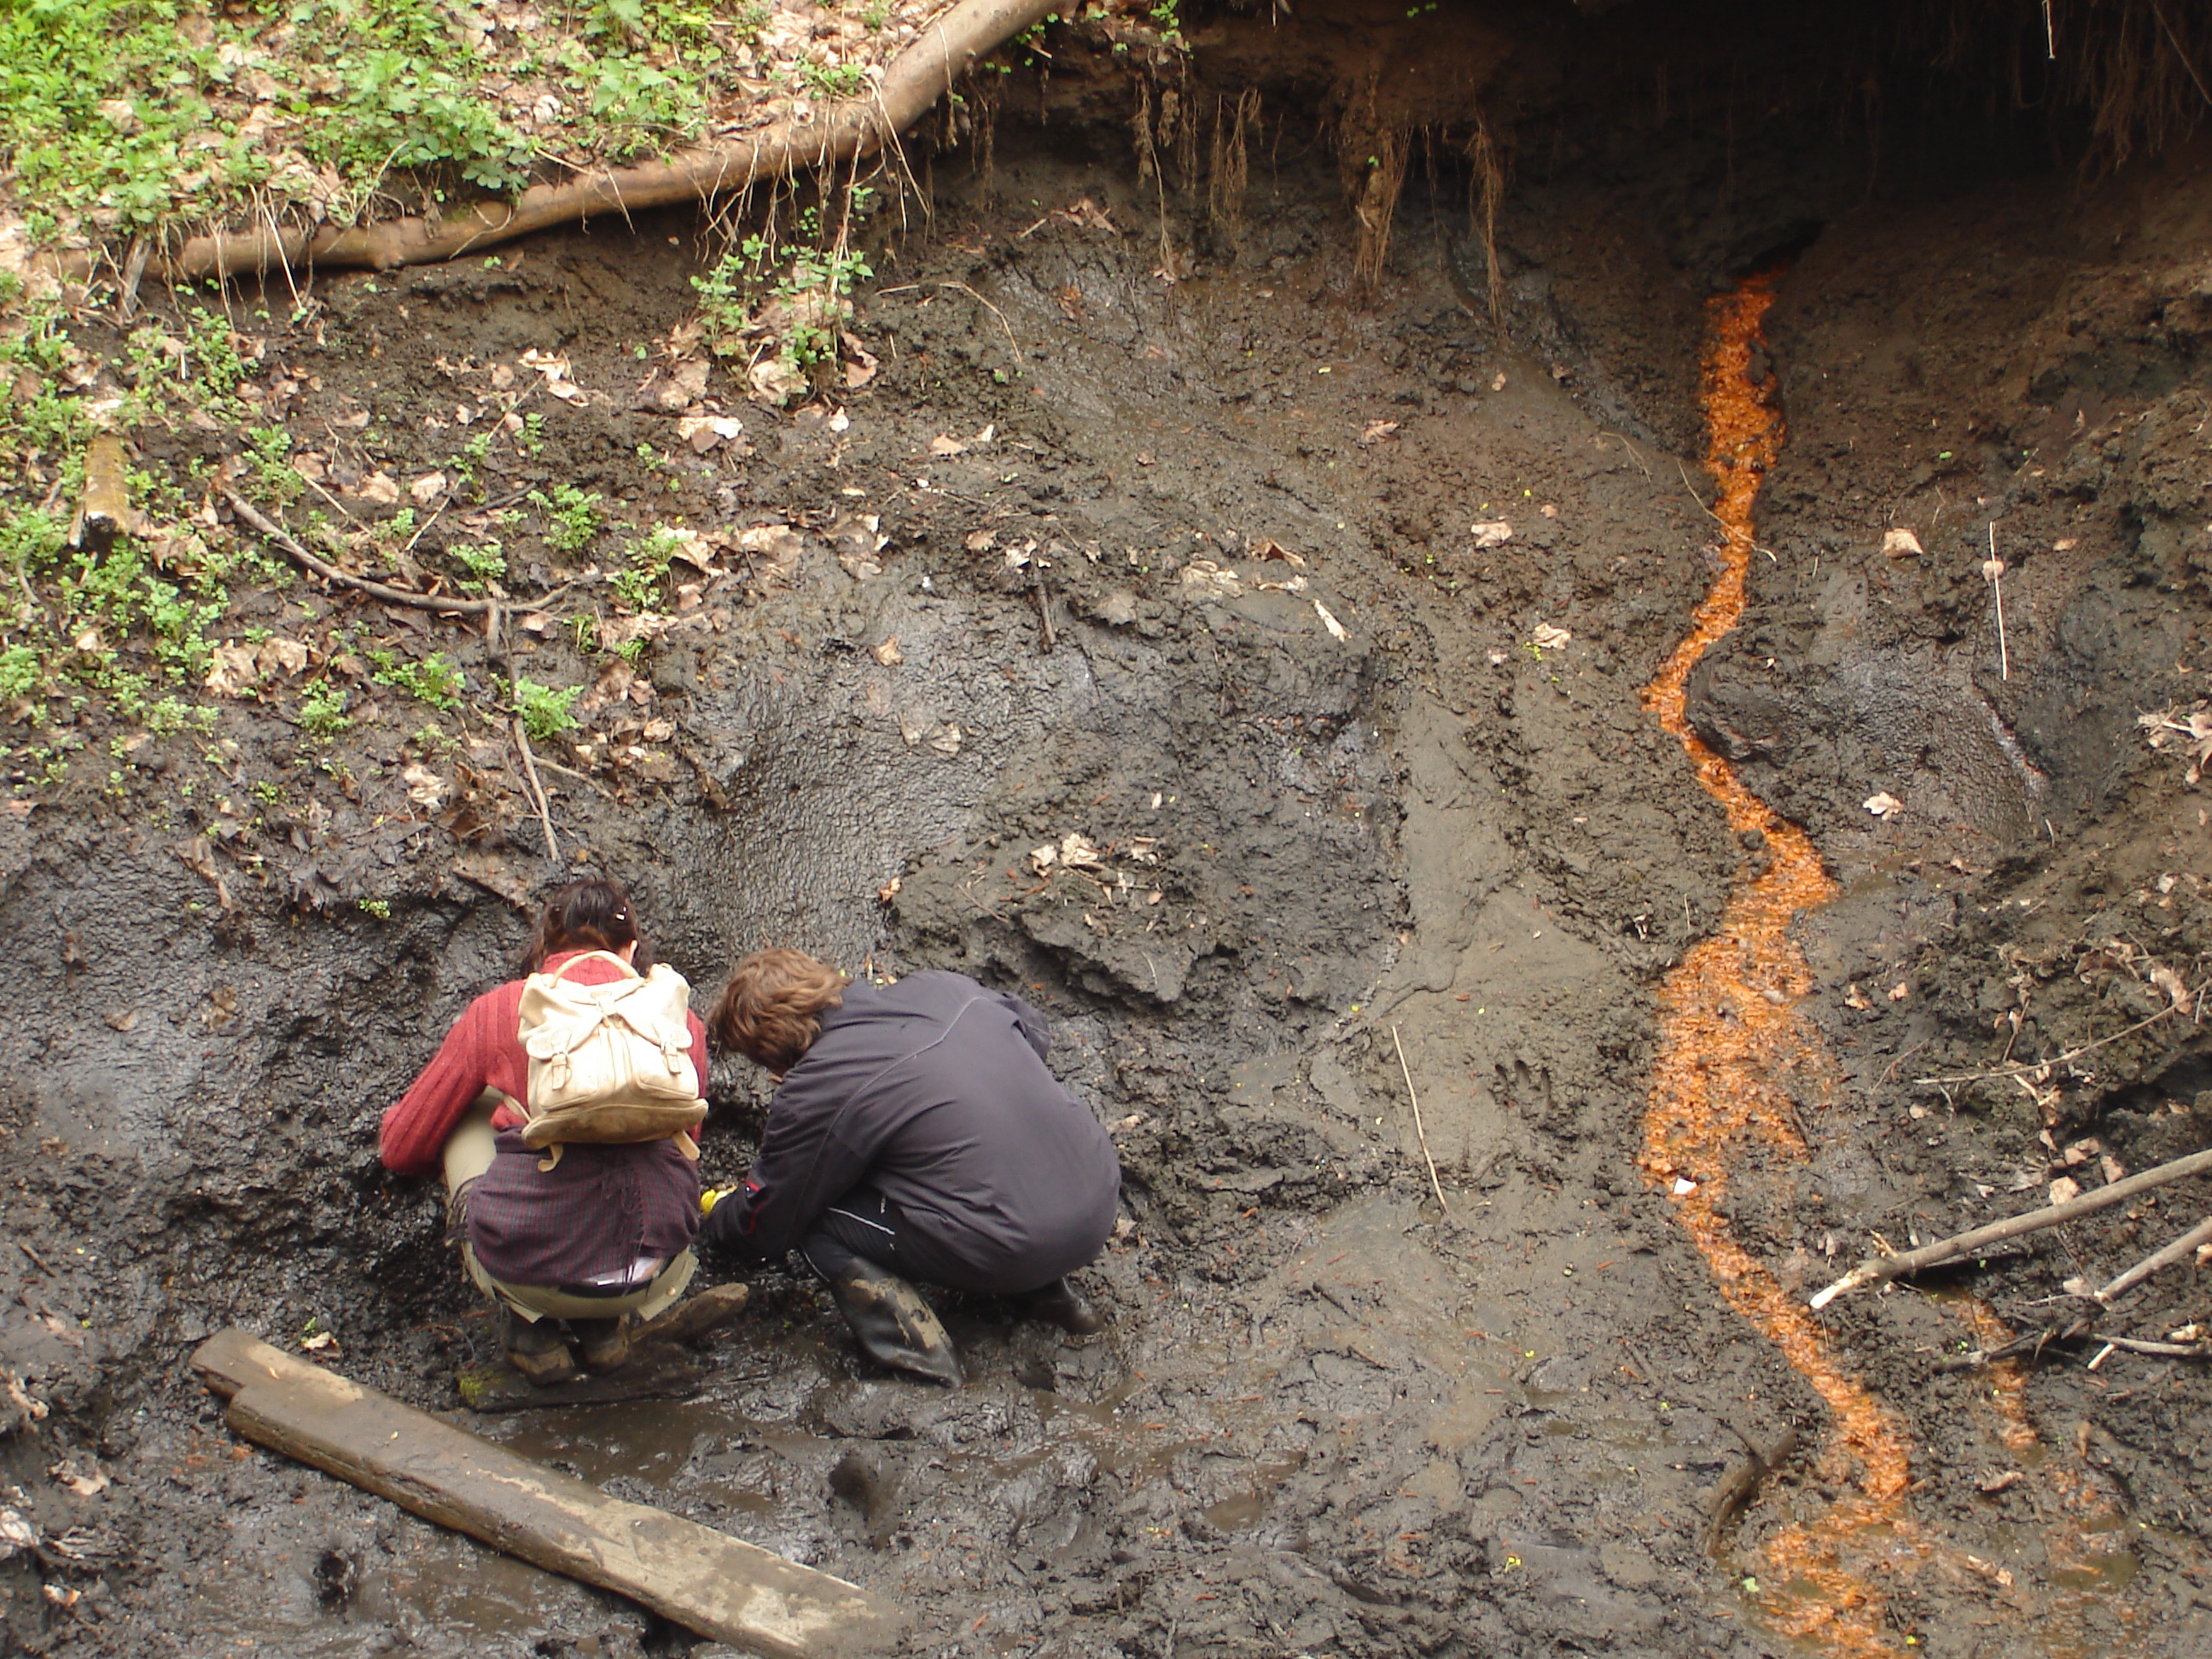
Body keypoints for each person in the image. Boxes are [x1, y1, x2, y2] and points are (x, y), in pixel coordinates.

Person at [701, 951, 1121, 1386]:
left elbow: (770, 1219)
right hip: (1096, 1190)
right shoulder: (942, 986)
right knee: (967, 1159)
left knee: (814, 1218)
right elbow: (1034, 1032)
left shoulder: (819, 1083)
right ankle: (1047, 1298)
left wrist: (720, 1218)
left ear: (773, 1052)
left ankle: (924, 1361)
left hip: (1013, 1240)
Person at [380, 878, 710, 1385]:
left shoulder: (500, 1010)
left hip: (531, 1270)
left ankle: (529, 1332)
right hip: (654, 1268)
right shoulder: (677, 1018)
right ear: (632, 949)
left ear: (546, 949)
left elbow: (403, 1148)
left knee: (467, 1112)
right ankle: (603, 1329)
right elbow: (687, 1148)